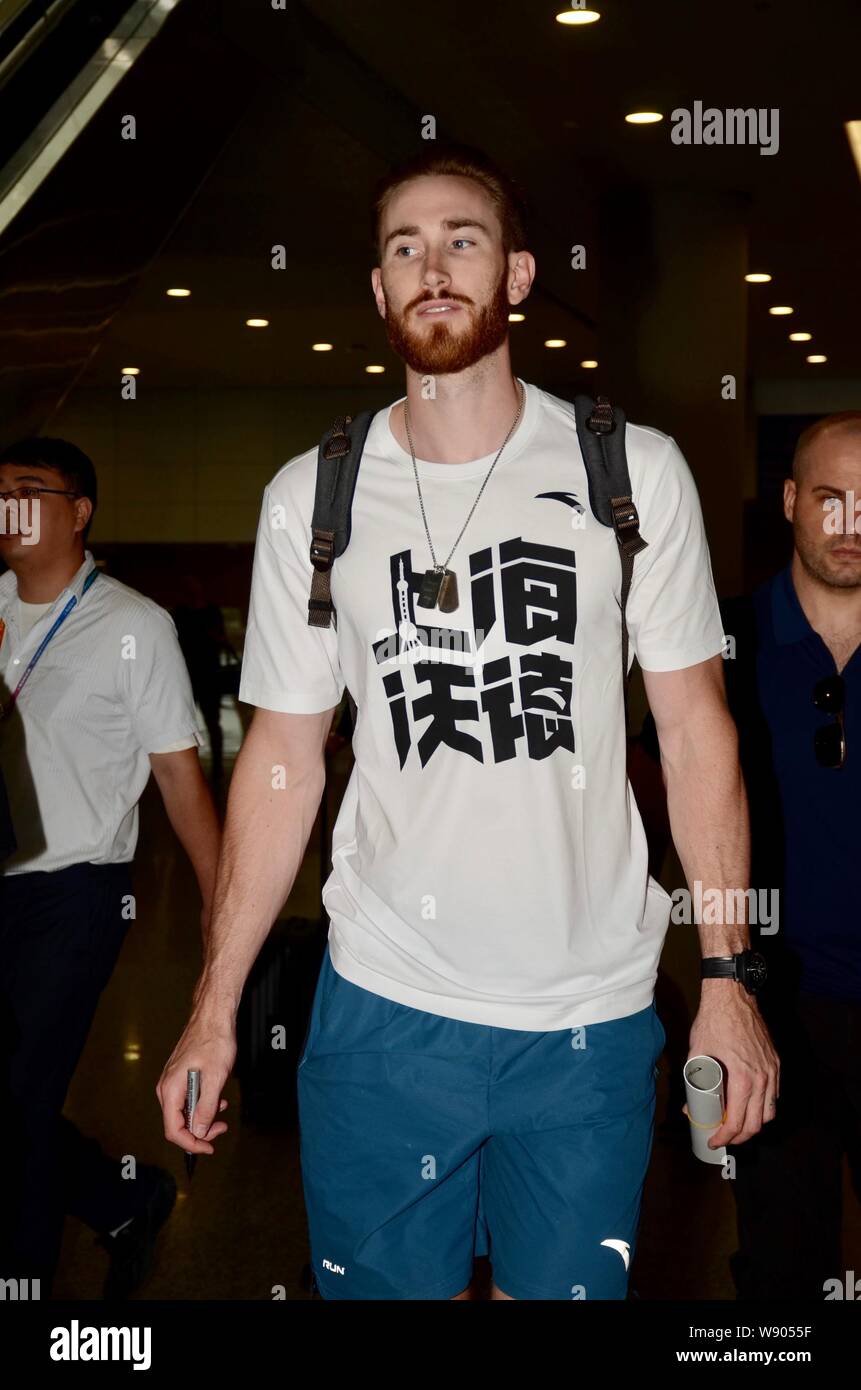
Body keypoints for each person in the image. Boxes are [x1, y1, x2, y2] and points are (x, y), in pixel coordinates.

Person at [157, 143, 778, 1301]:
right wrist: (211, 1007)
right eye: (404, 248)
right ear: (379, 292)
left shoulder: (628, 475)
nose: (432, 266)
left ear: (521, 275)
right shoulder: (315, 496)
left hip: (590, 1014)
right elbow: (285, 759)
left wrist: (730, 981)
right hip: (388, 1010)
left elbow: (697, 734)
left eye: (463, 240)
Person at [643, 412, 861, 1300]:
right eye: (829, 500)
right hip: (771, 1007)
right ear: (788, 502)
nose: (849, 525)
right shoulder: (714, 648)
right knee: (778, 1272)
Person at [0, 437, 221, 1298]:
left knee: (17, 1108)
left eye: (28, 490)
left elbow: (177, 774)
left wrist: (219, 905)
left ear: (79, 510)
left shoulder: (133, 625)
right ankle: (123, 1196)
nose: (7, 505)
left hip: (72, 896)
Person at [172, 574, 235, 784]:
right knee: (187, 724)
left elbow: (221, 637)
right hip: (189, 675)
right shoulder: (181, 614)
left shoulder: (207, 612)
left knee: (211, 722)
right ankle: (191, 768)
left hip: (207, 674)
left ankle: (215, 767)